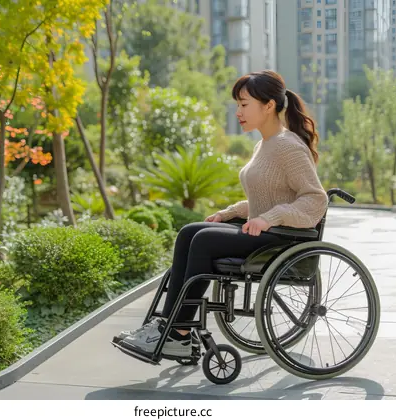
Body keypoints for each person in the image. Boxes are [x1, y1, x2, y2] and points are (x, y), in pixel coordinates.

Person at [114, 70, 328, 358]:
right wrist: (229, 214)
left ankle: (177, 331)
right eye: (237, 105)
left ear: (268, 105)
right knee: (191, 232)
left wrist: (270, 218)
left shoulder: (288, 147)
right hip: (264, 231)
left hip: (282, 238)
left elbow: (315, 200)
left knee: (204, 241)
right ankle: (169, 326)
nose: (238, 112)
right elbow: (264, 196)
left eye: (244, 104)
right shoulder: (264, 145)